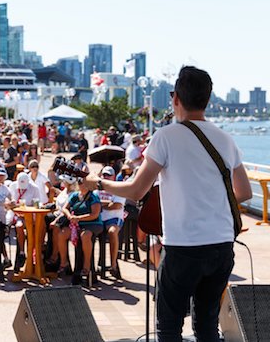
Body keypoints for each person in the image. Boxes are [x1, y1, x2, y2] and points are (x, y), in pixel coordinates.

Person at [85, 66, 252, 341]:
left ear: (175, 98)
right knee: (208, 326)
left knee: (169, 327)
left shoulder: (166, 136)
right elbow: (244, 191)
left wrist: (98, 183)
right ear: (208, 100)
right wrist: (209, 199)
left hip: (184, 248)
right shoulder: (225, 139)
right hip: (222, 246)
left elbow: (137, 190)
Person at [59, 179, 102, 279]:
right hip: (76, 224)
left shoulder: (93, 196)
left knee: (85, 235)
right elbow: (65, 208)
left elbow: (94, 214)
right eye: (79, 183)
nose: (81, 185)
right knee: (62, 234)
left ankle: (86, 266)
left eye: (83, 183)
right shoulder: (74, 196)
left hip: (92, 223)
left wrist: (78, 218)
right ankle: (64, 262)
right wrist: (70, 216)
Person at [9, 173, 45, 267]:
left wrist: (36, 205)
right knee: (19, 226)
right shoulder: (12, 186)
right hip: (16, 213)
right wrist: (11, 203)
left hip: (29, 214)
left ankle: (33, 256)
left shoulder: (34, 188)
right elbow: (8, 200)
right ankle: (21, 252)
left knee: (34, 230)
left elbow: (37, 203)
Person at [96, 166, 125, 278]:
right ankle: (90, 268)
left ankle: (113, 264)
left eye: (108, 175)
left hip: (114, 218)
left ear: (113, 176)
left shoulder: (118, 188)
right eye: (104, 175)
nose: (106, 177)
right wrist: (107, 203)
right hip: (100, 218)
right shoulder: (98, 188)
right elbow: (94, 202)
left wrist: (102, 204)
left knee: (112, 232)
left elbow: (116, 205)